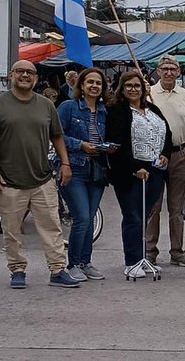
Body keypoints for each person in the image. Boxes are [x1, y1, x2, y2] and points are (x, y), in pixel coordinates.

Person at [0, 60, 80, 289]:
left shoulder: (46, 105)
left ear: (35, 78)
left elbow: (57, 136)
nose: (25, 75)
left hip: (42, 178)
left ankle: (57, 270)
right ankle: (17, 270)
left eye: (30, 72)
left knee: (52, 227)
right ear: (11, 75)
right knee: (12, 230)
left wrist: (65, 163)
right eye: (20, 71)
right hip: (9, 180)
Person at [105, 71, 173, 279]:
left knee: (144, 216)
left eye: (137, 86)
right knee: (132, 216)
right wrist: (135, 167)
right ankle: (132, 261)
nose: (134, 89)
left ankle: (141, 257)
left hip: (155, 171)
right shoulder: (118, 110)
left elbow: (167, 134)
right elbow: (117, 143)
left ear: (144, 89)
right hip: (130, 172)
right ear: (122, 89)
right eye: (129, 86)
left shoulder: (152, 109)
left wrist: (165, 155)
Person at [56, 68, 112, 282]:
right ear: (81, 85)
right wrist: (80, 145)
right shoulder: (68, 107)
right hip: (74, 167)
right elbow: (56, 134)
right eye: (90, 82)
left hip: (97, 169)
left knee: (89, 218)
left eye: (98, 83)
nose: (94, 86)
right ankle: (73, 264)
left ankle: (86, 262)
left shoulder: (104, 111)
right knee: (82, 217)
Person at [146, 57, 185, 268]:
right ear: (158, 71)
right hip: (154, 155)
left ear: (179, 72)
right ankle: (150, 251)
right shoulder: (148, 93)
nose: (168, 73)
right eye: (165, 69)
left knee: (177, 208)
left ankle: (177, 251)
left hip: (178, 155)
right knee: (153, 207)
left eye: (173, 69)